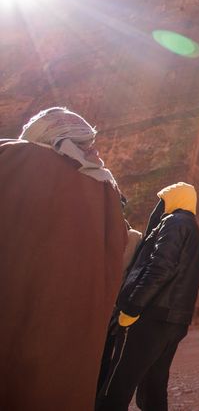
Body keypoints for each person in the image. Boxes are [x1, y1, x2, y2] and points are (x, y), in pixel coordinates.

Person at [0, 107, 128, 411]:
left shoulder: (9, 157)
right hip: (70, 338)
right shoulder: (104, 190)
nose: (94, 151)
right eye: (86, 144)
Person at [96, 182, 199, 411]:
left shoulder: (173, 223)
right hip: (175, 319)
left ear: (173, 199)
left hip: (150, 316)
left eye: (163, 199)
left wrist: (132, 307)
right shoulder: (195, 230)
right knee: (152, 389)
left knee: (117, 386)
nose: (159, 205)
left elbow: (159, 268)